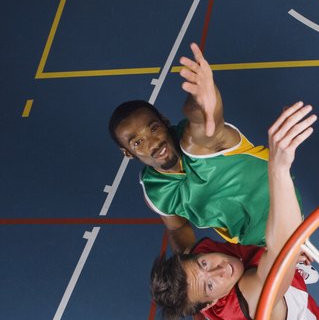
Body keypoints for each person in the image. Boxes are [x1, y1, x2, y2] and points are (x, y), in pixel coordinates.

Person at [150, 102, 319, 320]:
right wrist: (278, 168)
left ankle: (292, 269)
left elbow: (191, 264)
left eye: (204, 264)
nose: (220, 270)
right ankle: (293, 270)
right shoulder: (255, 297)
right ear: (210, 302)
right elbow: (283, 247)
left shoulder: (196, 268)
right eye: (209, 286)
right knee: (287, 252)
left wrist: (191, 304)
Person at [109, 42, 301, 254]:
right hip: (252, 245)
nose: (153, 143)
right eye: (138, 142)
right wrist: (188, 263)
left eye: (153, 129)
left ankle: (297, 256)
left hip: (285, 208)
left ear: (164, 121)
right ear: (128, 152)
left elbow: (206, 123)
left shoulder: (195, 143)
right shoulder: (155, 192)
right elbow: (178, 228)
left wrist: (203, 102)